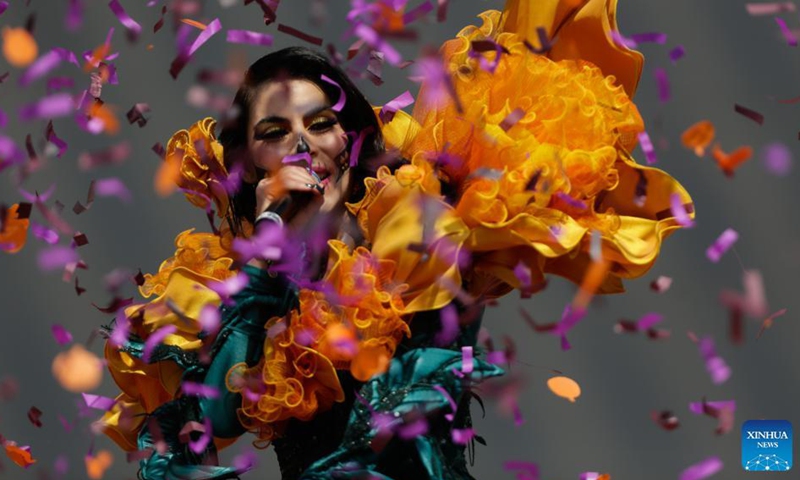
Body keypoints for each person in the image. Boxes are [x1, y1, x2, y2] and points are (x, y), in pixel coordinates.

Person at [99, 1, 695, 479]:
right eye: (277, 133)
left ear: (350, 139)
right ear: (250, 165)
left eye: (322, 123)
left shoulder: (421, 226)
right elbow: (213, 416)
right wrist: (269, 260)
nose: (304, 146)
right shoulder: (229, 289)